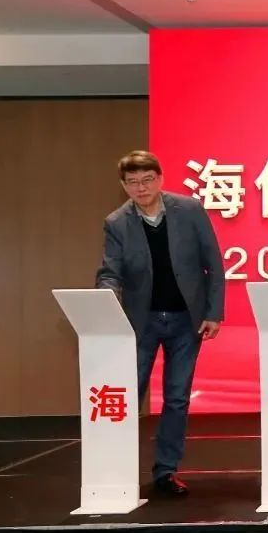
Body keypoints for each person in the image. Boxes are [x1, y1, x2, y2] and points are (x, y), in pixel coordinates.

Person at [95, 150, 225, 497]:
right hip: (141, 323)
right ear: (124, 185)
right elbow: (110, 272)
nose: (141, 188)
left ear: (160, 179)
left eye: (147, 180)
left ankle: (166, 471)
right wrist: (105, 299)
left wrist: (214, 312)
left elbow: (213, 263)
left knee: (177, 397)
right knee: (127, 396)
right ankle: (117, 470)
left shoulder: (190, 210)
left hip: (186, 321)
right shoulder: (116, 222)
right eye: (133, 182)